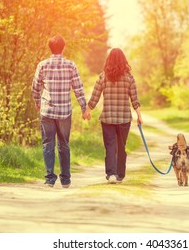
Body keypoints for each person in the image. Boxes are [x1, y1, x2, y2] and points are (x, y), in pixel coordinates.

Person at [32, 35, 87, 188]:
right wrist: (84, 108)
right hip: (64, 112)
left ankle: (50, 178)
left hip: (47, 110)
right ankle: (65, 179)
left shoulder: (42, 65)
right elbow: (78, 88)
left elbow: (35, 87)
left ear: (50, 47)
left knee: (48, 143)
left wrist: (37, 102)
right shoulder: (71, 65)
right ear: (63, 47)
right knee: (64, 144)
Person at [84, 48, 143, 184]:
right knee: (121, 146)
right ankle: (120, 175)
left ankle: (111, 174)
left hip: (108, 118)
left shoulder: (103, 77)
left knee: (110, 145)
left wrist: (87, 111)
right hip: (124, 119)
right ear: (124, 61)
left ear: (108, 60)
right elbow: (135, 100)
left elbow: (95, 97)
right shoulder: (129, 78)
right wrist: (139, 116)